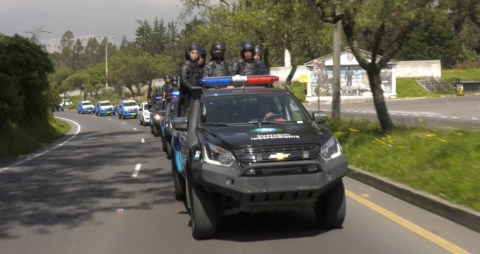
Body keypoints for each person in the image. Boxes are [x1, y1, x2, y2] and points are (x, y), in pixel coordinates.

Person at [179, 43, 202, 117]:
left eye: (196, 53)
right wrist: (193, 89)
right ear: (188, 54)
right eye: (192, 53)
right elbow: (183, 81)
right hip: (187, 96)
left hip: (196, 96)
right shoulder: (185, 66)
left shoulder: (196, 67)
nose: (194, 55)